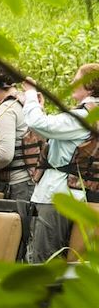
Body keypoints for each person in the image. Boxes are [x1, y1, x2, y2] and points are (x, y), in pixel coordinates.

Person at [23, 63, 99, 263]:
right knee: (68, 260)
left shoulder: (85, 116)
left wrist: (30, 95)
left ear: (89, 86)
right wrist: (40, 109)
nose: (72, 82)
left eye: (77, 79)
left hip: (58, 194)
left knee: (43, 258)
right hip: (80, 195)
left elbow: (40, 124)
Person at [0, 64, 44, 201]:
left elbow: (6, 154)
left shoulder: (6, 109)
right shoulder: (29, 103)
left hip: (17, 186)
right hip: (34, 182)